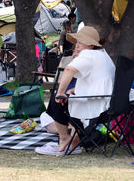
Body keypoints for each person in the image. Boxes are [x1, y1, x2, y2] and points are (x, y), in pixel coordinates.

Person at [35, 26, 115, 156]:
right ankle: (74, 142)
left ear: (89, 44)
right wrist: (73, 90)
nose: (76, 46)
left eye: (79, 42)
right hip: (106, 103)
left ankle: (64, 138)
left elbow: (68, 70)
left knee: (57, 100)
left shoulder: (89, 54)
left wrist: (60, 93)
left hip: (95, 106)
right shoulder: (103, 55)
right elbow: (97, 81)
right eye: (76, 42)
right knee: (67, 96)